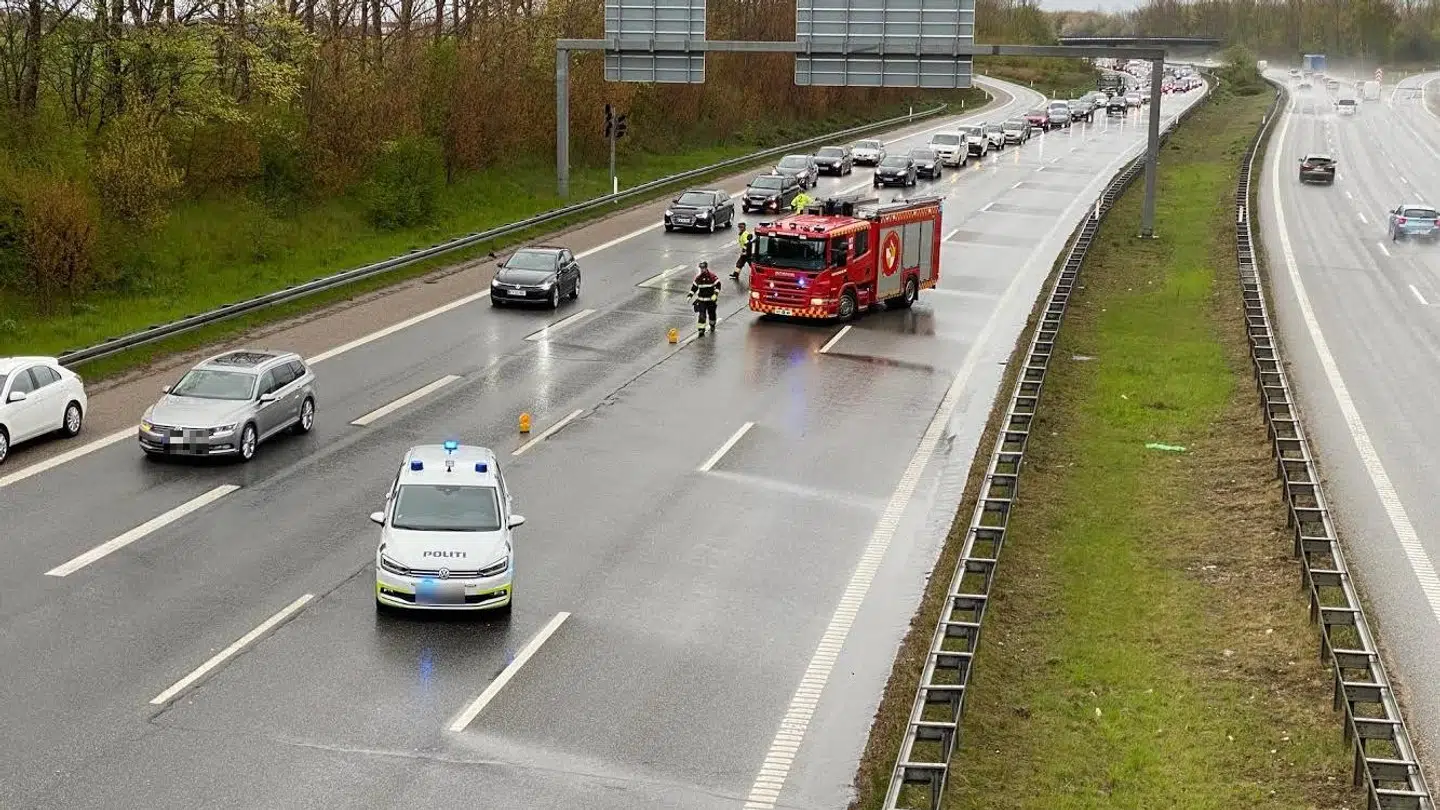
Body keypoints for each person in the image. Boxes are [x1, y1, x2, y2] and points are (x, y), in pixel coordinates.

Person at [687, 261, 721, 335]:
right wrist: (690, 295)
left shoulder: (712, 277)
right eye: (701, 268)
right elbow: (694, 288)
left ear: (706, 268)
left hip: (711, 301)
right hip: (702, 301)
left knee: (712, 314)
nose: (702, 270)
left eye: (703, 268)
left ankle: (712, 325)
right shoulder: (698, 278)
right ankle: (701, 330)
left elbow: (718, 285)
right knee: (702, 315)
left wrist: (715, 294)